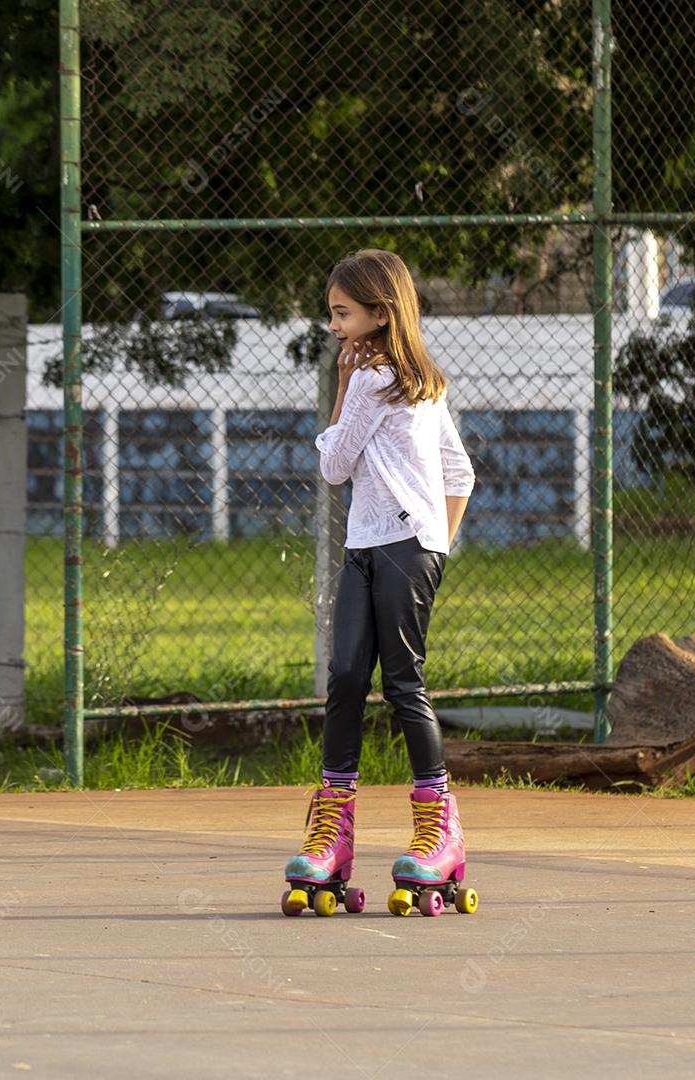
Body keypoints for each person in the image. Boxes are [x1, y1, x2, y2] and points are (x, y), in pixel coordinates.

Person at [281, 248, 477, 917]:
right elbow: (461, 476)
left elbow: (335, 465)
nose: (333, 324)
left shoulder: (373, 382)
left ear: (377, 312)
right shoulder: (423, 385)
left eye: (342, 313)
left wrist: (340, 394)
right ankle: (333, 830)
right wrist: (439, 545)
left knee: (396, 682)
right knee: (347, 676)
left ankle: (437, 829)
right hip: (373, 548)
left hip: (400, 550)